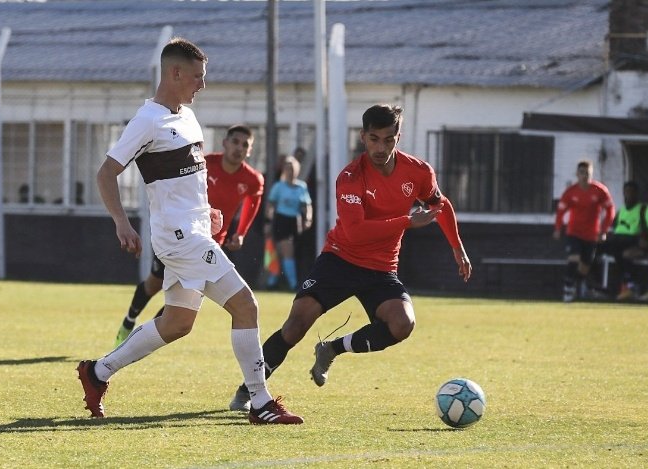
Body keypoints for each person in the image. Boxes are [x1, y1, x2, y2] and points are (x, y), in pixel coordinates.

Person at [76, 37, 302, 424]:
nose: (202, 84)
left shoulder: (187, 117)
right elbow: (106, 173)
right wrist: (121, 222)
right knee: (246, 305)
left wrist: (209, 211)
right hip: (178, 237)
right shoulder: (147, 120)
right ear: (175, 73)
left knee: (178, 323)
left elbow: (188, 180)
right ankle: (261, 402)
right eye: (197, 77)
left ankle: (97, 372)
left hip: (193, 231)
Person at [228, 104, 472, 411]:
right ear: (362, 137)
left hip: (382, 269)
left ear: (399, 136)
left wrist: (457, 247)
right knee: (295, 326)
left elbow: (442, 205)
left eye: (388, 139)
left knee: (402, 324)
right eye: (373, 139)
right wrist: (408, 221)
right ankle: (250, 389)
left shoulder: (419, 172)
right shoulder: (351, 176)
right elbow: (356, 232)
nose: (380, 147)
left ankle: (331, 349)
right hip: (339, 260)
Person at [114, 124, 265, 346]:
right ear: (225, 143)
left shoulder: (252, 179)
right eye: (235, 142)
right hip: (180, 237)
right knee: (153, 284)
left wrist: (240, 232)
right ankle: (129, 321)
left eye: (245, 145)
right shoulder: (204, 164)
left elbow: (254, 199)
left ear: (249, 151)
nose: (239, 148)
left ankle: (144, 340)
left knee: (186, 298)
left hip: (210, 244)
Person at [553, 159, 615, 302]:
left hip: (592, 235)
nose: (584, 176)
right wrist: (557, 228)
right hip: (574, 232)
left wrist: (604, 230)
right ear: (577, 174)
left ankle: (574, 284)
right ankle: (568, 288)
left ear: (591, 174)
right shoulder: (571, 192)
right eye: (582, 173)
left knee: (585, 266)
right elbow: (561, 211)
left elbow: (610, 210)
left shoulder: (600, 190)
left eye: (587, 173)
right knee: (574, 258)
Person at [264, 155, 313, 291]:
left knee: (283, 253)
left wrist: (307, 219)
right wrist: (268, 222)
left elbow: (306, 206)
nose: (290, 171)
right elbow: (270, 205)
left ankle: (272, 282)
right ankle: (293, 284)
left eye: (292, 168)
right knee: (286, 251)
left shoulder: (301, 187)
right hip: (281, 221)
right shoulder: (279, 187)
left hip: (295, 223)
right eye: (287, 168)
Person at [598, 181, 645, 301]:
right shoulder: (621, 211)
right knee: (594, 249)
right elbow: (614, 228)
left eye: (631, 192)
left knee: (619, 251)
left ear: (636, 194)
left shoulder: (642, 209)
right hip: (618, 240)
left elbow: (645, 229)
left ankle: (628, 286)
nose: (628, 195)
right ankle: (597, 287)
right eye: (626, 192)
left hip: (632, 240)